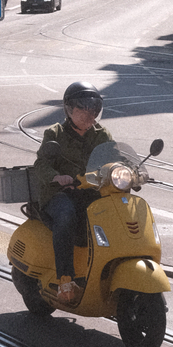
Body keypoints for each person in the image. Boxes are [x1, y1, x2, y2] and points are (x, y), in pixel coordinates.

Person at [33, 81, 114, 304]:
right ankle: (65, 279)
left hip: (91, 193)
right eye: (84, 108)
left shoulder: (101, 134)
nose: (90, 114)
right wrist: (56, 177)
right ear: (70, 109)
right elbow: (41, 165)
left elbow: (116, 158)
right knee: (66, 215)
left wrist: (129, 171)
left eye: (94, 109)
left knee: (117, 212)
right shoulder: (55, 132)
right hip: (60, 194)